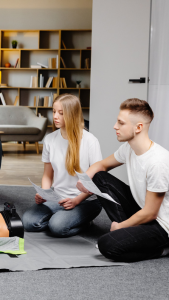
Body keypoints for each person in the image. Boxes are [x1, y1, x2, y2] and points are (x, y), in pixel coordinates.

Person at [77, 98, 169, 262]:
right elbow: (102, 165)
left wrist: (120, 226)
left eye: (121, 123)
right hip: (144, 211)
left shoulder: (158, 162)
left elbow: (150, 212)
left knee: (107, 245)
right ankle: (125, 233)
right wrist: (85, 179)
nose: (115, 126)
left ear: (138, 127)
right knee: (99, 177)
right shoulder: (129, 148)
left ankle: (162, 249)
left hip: (162, 225)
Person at [22, 94, 102, 237]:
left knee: (57, 227)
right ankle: (63, 219)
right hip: (58, 198)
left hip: (86, 201)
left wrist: (76, 201)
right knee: (28, 222)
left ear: (72, 114)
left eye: (61, 113)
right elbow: (47, 174)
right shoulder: (50, 139)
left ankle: (84, 222)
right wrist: (44, 193)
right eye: (54, 111)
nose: (55, 116)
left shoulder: (90, 141)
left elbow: (95, 181)